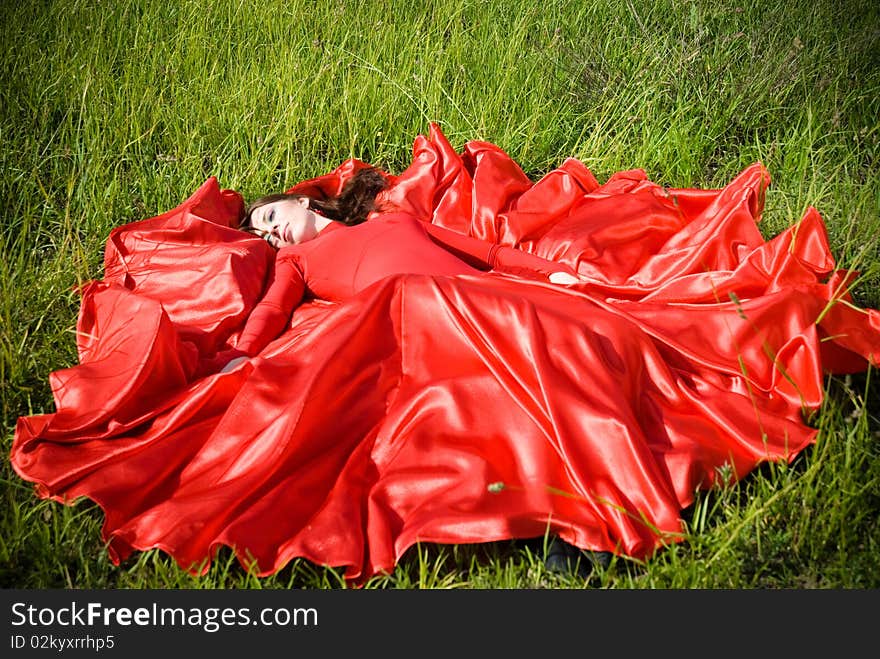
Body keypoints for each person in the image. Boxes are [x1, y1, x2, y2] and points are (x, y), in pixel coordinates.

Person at [11, 124, 879, 585]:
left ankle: (602, 493)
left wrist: (565, 272)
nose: (271, 228)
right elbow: (261, 330)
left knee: (601, 340)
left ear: (311, 201)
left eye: (274, 214)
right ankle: (570, 530)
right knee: (490, 379)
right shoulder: (298, 267)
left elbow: (489, 254)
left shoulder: (391, 217)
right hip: (429, 324)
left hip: (492, 297)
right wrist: (231, 365)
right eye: (263, 230)